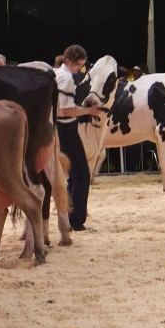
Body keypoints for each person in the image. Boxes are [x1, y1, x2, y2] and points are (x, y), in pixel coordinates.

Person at [54, 45, 102, 231]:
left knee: (73, 176)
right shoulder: (66, 78)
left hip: (59, 128)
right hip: (67, 128)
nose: (78, 69)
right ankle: (76, 220)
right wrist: (88, 110)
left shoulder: (57, 73)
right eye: (77, 66)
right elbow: (65, 110)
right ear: (68, 61)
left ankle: (68, 215)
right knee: (81, 175)